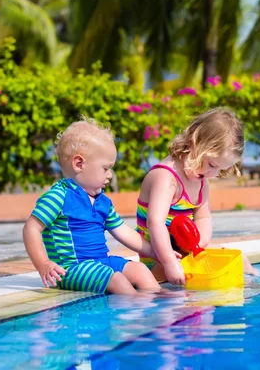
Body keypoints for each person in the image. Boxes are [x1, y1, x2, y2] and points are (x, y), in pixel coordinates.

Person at [23, 117, 177, 295]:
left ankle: (161, 301)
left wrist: (156, 253)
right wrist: (43, 264)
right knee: (117, 279)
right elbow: (31, 229)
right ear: (79, 164)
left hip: (102, 262)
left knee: (140, 271)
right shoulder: (58, 197)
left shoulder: (102, 201)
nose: (110, 175)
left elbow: (123, 232)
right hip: (72, 269)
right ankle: (137, 307)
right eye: (106, 168)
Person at [136, 107, 260, 285]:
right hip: (157, 256)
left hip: (182, 250)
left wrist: (197, 245)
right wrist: (169, 261)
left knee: (240, 260)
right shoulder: (166, 178)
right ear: (195, 141)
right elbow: (155, 223)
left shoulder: (202, 181)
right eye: (211, 164)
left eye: (220, 169)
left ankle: (259, 286)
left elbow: (203, 217)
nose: (213, 173)